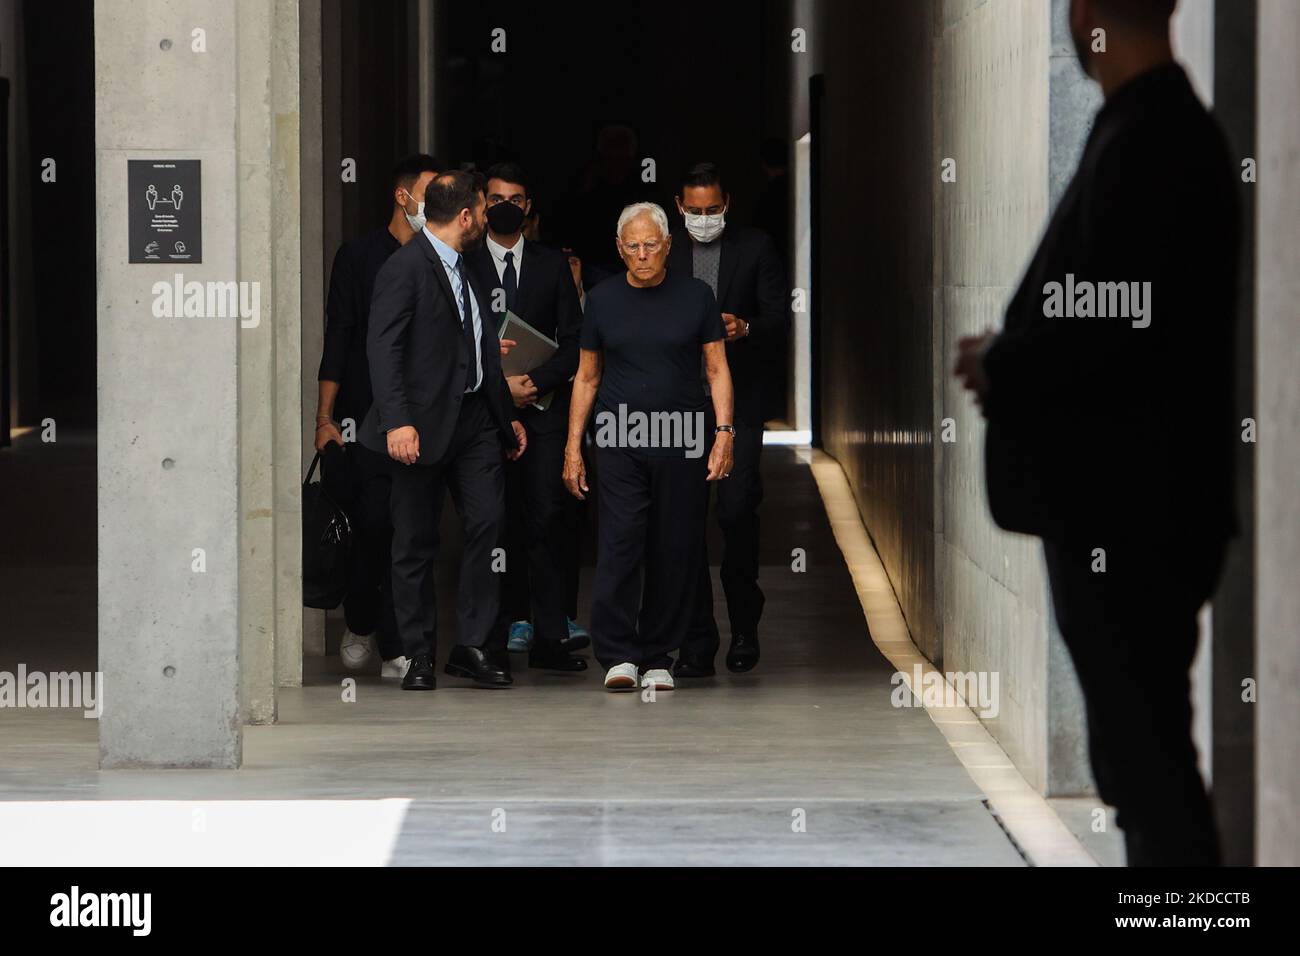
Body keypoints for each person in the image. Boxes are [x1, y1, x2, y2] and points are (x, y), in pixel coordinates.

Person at [954, 0, 1238, 865]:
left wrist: (1007, 361)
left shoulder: (1150, 140)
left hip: (1130, 508)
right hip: (1139, 502)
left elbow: (1121, 326)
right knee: (1137, 759)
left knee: (1148, 764)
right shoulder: (1152, 129)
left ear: (1084, 18)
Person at [361, 169, 528, 691]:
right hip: (420, 427)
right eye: (481, 210)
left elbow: (470, 341)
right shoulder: (403, 267)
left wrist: (506, 414)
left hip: (476, 422)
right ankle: (418, 656)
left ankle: (472, 646)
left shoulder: (472, 264)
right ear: (464, 216)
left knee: (487, 524)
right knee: (415, 542)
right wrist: (399, 422)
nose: (485, 218)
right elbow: (382, 349)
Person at [564, 202, 735, 692]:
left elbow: (718, 369)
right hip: (619, 441)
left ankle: (659, 653)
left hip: (682, 440)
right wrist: (573, 448)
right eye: (633, 246)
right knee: (619, 543)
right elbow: (587, 376)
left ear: (667, 246)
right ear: (620, 249)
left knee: (673, 547)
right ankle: (619, 654)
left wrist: (724, 434)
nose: (642, 255)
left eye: (651, 245)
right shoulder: (601, 299)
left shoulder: (697, 297)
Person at [315, 153, 440, 680]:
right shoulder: (359, 256)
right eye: (430, 196)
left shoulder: (444, 257)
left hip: (424, 417)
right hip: (362, 417)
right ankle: (361, 621)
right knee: (368, 526)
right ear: (403, 196)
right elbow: (339, 336)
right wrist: (323, 416)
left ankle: (399, 646)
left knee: (406, 531)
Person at [465, 162, 588, 672]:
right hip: (482, 418)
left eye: (515, 198)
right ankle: (491, 640)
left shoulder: (551, 264)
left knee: (545, 519)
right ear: (480, 203)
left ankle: (551, 638)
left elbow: (574, 341)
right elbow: (448, 341)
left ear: (529, 206)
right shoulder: (463, 262)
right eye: (495, 198)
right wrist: (498, 385)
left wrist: (534, 383)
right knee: (492, 524)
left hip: (541, 415)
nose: (505, 206)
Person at [667, 162, 788, 677]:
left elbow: (780, 319)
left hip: (739, 402)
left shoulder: (755, 247)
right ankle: (697, 640)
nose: (703, 218)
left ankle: (744, 624)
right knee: (685, 519)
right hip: (678, 405)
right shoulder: (665, 250)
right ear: (679, 207)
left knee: (736, 510)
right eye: (694, 211)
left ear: (727, 204)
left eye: (712, 209)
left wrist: (746, 328)